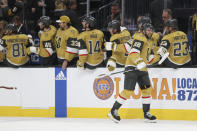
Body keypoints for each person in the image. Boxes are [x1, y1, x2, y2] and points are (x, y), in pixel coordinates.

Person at [108, 23, 157, 123]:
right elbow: (134, 53)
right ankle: (113, 110)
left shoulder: (150, 41)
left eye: (151, 30)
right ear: (143, 30)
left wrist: (159, 56)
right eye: (148, 30)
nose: (150, 32)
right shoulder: (139, 38)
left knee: (147, 90)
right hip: (132, 66)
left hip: (142, 68)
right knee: (128, 91)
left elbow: (150, 58)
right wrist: (139, 62)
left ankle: (146, 113)